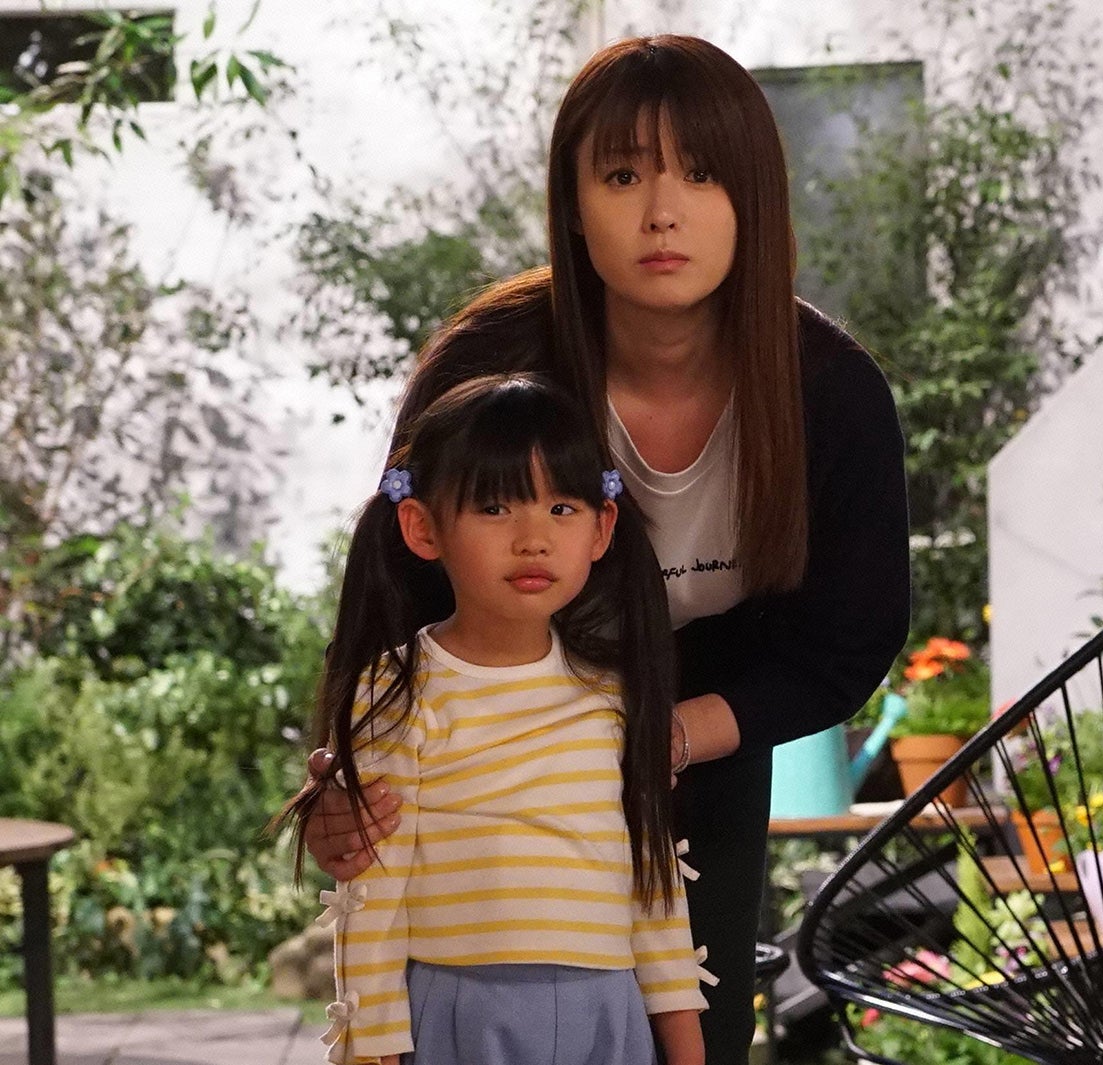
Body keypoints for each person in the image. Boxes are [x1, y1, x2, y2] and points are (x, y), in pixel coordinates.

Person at [297, 33, 912, 1064]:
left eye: (702, 175)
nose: (662, 213)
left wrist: (669, 735)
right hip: (486, 724)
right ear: (572, 202)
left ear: (755, 200)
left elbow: (846, 639)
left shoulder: (831, 391)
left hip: (705, 720)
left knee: (696, 1015)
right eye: (623, 176)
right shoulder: (491, 366)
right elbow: (397, 584)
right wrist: (349, 773)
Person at [281, 375, 707, 1065]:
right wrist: (372, 1046)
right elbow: (373, 887)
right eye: (494, 506)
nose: (533, 538)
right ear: (422, 527)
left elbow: (652, 887)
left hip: (610, 1012)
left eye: (562, 507)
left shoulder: (613, 695)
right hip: (460, 1013)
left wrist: (687, 1051)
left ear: (601, 528)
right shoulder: (396, 690)